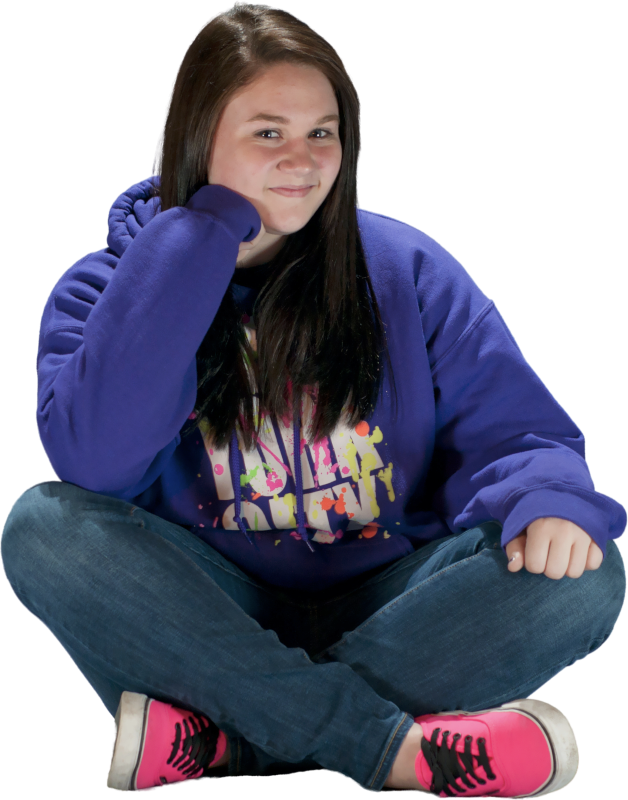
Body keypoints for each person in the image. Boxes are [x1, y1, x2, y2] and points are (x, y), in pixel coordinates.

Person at [1, 2, 626, 796]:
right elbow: (97, 461)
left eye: (321, 132)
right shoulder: (100, 285)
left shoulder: (406, 265)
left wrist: (548, 499)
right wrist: (203, 233)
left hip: (392, 602)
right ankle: (393, 751)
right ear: (198, 133)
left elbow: (516, 431)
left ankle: (229, 742)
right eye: (268, 132)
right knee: (44, 528)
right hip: (205, 608)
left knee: (588, 574)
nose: (301, 160)